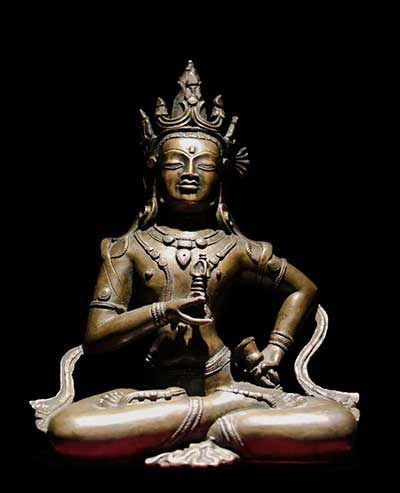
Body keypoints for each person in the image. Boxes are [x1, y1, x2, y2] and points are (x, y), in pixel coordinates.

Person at [31, 61, 358, 467]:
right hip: (153, 395)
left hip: (225, 383)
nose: (189, 174)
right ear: (155, 173)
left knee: (336, 422)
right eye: (175, 163)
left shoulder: (235, 248)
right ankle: (222, 420)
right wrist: (163, 311)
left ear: (221, 177)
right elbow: (96, 337)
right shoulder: (126, 248)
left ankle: (194, 422)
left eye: (203, 165)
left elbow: (303, 288)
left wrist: (276, 350)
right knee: (69, 429)